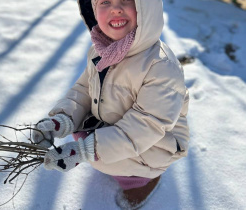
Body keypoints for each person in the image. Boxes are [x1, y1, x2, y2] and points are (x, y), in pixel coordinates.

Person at [32, 0, 190, 209]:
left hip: (157, 141)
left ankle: (142, 181)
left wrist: (85, 151)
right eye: (105, 1)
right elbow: (84, 90)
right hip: (117, 125)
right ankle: (114, 161)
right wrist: (61, 120)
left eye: (125, 0)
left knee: (98, 152)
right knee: (85, 138)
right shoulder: (101, 51)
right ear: (94, 10)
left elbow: (147, 126)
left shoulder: (160, 67)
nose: (116, 8)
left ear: (146, 8)